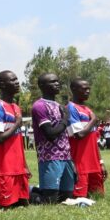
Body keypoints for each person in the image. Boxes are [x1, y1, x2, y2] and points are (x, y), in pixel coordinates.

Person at [0, 71, 31, 208]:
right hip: (4, 168)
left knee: (24, 204)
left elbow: (18, 141)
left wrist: (25, 165)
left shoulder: (16, 107)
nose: (17, 82)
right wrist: (17, 124)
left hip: (19, 168)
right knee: (5, 207)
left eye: (17, 79)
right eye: (13, 80)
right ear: (2, 85)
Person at [31, 72, 75, 204]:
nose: (57, 84)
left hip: (66, 156)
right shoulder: (39, 106)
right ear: (42, 85)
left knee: (66, 197)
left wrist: (71, 160)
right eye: (53, 82)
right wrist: (65, 119)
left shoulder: (59, 106)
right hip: (50, 156)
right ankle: (27, 194)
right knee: (50, 200)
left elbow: (65, 134)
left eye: (57, 81)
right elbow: (50, 134)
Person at [67, 79, 107, 198]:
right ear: (74, 89)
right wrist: (93, 120)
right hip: (80, 163)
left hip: (94, 163)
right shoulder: (71, 108)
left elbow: (93, 141)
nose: (88, 91)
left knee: (98, 196)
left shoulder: (88, 109)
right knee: (80, 198)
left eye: (89, 89)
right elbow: (79, 135)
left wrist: (101, 163)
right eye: (84, 89)